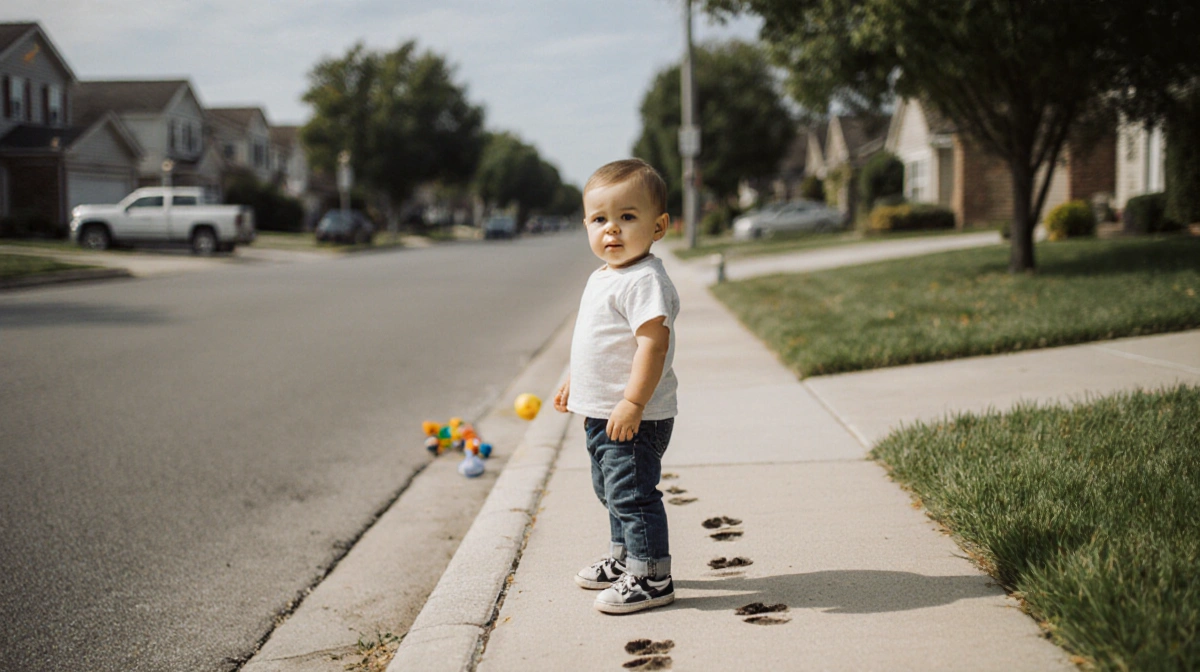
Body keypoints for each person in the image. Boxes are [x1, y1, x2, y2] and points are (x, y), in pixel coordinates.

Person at [553, 158, 680, 614]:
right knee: (609, 490)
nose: (612, 230)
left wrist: (632, 401)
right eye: (600, 219)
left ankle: (652, 576)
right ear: (586, 224)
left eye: (628, 217)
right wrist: (576, 380)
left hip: (634, 416)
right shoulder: (603, 276)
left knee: (632, 493)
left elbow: (652, 346)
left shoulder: (644, 279)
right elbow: (598, 342)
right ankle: (625, 557)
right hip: (602, 412)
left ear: (659, 226)